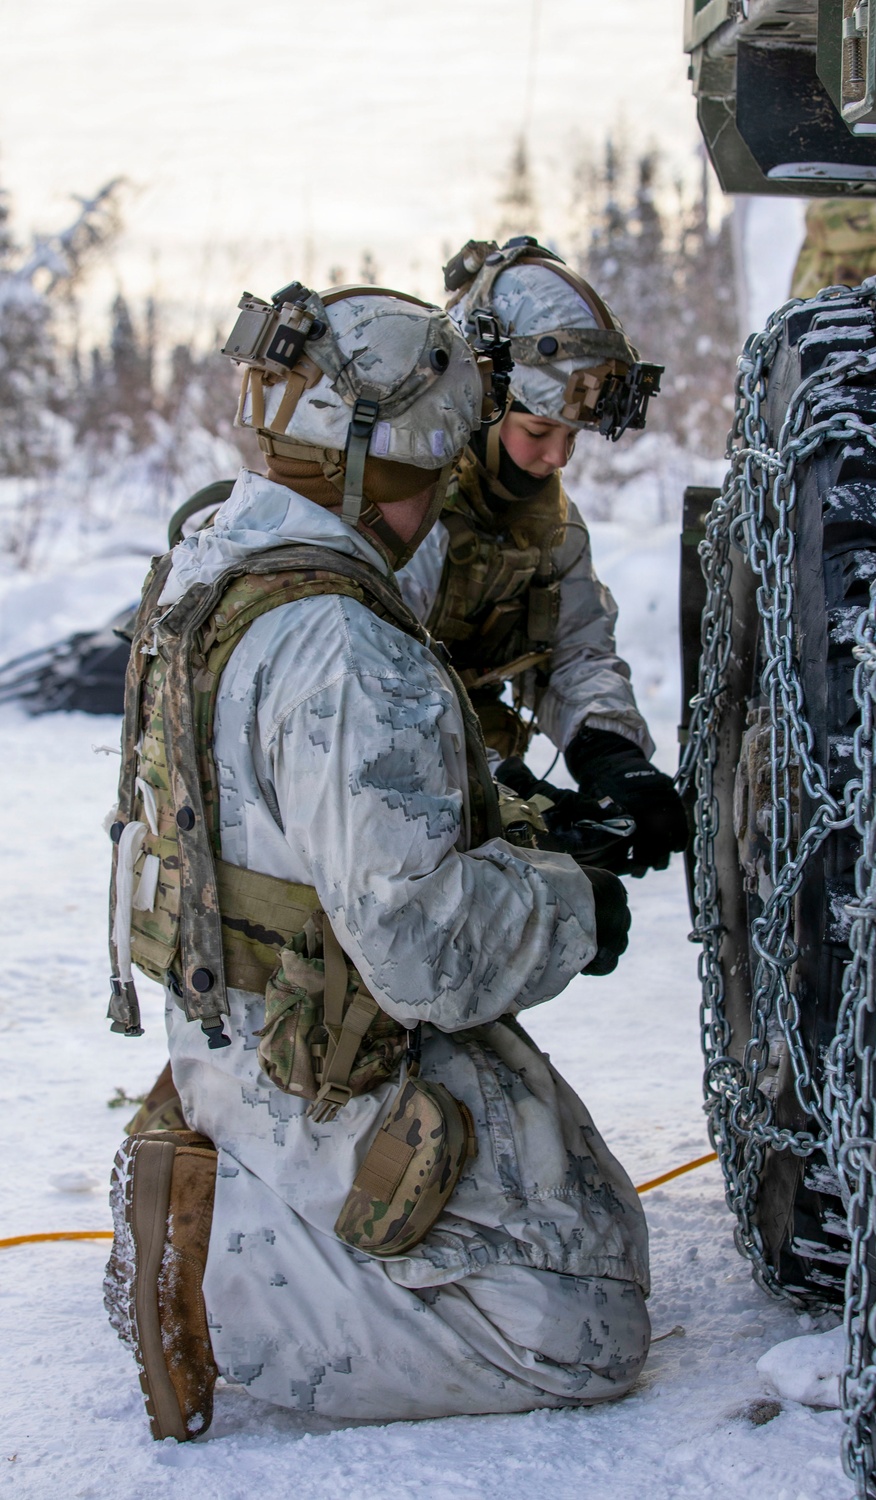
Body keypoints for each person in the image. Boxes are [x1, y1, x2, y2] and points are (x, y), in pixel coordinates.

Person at [103, 282, 650, 1443]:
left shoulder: (215, 558)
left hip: (240, 1008)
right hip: (320, 1047)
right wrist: (578, 907)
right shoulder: (349, 648)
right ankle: (217, 1274)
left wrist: (563, 792)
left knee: (582, 1186)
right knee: (581, 1313)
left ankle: (220, 1144)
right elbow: (428, 954)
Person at [396, 236, 688, 881]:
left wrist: (610, 752)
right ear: (478, 400)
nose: (558, 459)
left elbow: (576, 649)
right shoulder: (403, 511)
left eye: (573, 436)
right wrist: (502, 786)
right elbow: (380, 701)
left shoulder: (549, 524)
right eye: (538, 432)